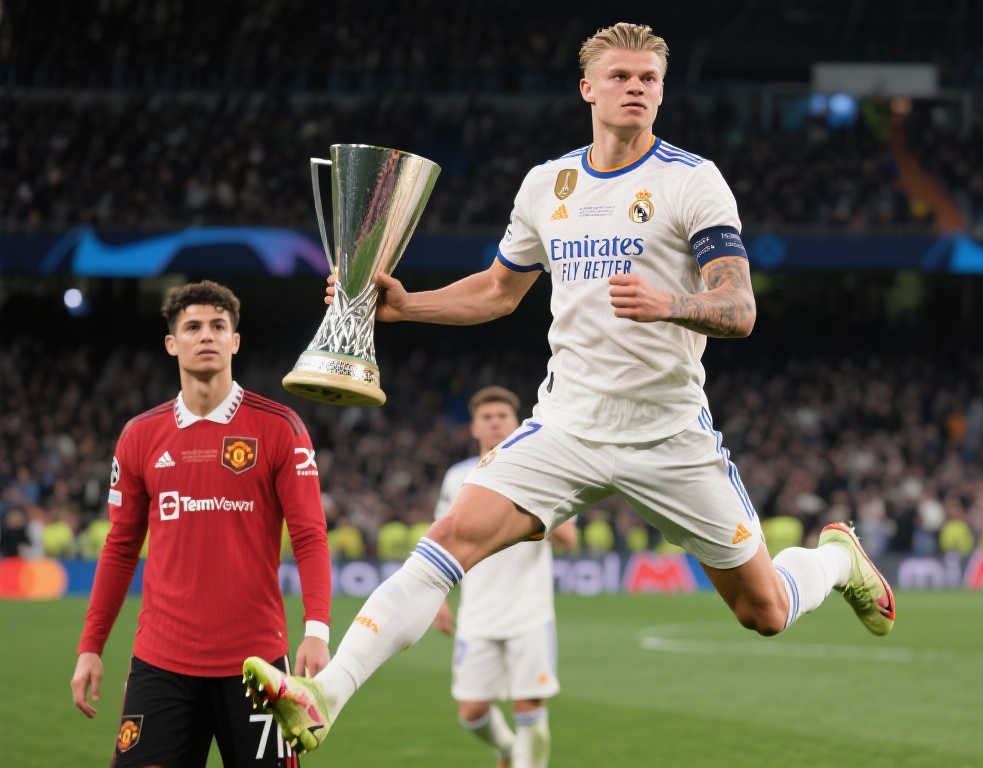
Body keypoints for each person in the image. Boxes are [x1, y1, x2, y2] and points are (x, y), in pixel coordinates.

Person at [242, 21, 895, 755]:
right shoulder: (547, 185)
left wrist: (670, 303)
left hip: (667, 434)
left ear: (662, 92)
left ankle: (837, 559)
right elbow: (498, 290)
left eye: (649, 79)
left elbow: (739, 307)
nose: (636, 89)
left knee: (764, 611)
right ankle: (325, 694)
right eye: (620, 77)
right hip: (567, 425)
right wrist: (407, 305)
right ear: (588, 88)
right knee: (448, 539)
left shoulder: (692, 180)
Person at [71, 280, 332, 767]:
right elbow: (121, 547)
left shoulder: (281, 427)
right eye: (192, 327)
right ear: (172, 343)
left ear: (235, 341)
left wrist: (317, 630)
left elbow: (310, 536)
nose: (206, 335)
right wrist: (91, 647)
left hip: (257, 665)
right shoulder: (139, 436)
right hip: (161, 664)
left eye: (218, 326)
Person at [431, 386, 576, 768]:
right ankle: (509, 750)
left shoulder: (542, 471)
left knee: (530, 707)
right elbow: (443, 540)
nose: (495, 423)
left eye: (502, 416)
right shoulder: (458, 478)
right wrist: (437, 599)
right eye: (487, 417)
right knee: (471, 711)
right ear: (474, 428)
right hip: (477, 613)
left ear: (517, 423)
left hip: (530, 612)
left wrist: (537, 502)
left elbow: (569, 540)